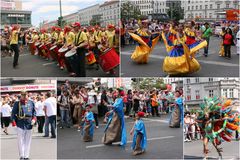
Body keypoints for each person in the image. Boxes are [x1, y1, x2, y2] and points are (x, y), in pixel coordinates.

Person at [11, 90, 36, 160]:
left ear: (28, 95)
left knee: (28, 141)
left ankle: (26, 156)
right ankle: (22, 155)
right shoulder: (17, 103)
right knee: (20, 141)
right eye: (22, 95)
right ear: (21, 95)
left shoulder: (31, 103)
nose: (24, 96)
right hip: (20, 123)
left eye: (25, 95)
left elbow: (34, 113)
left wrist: (34, 119)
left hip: (29, 123)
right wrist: (14, 124)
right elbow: (13, 114)